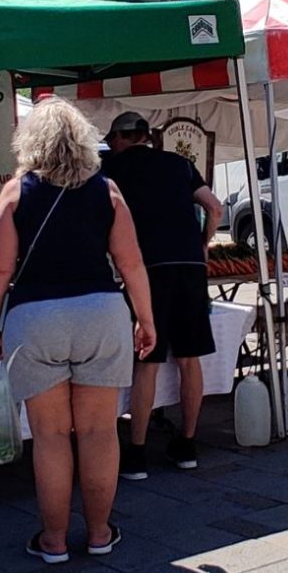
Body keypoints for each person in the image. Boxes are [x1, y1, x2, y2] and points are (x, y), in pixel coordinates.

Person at [0, 100, 156, 563]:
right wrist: (146, 319)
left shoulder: (16, 192)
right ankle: (99, 533)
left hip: (35, 316)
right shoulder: (108, 191)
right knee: (100, 431)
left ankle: (54, 539)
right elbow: (131, 262)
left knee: (52, 435)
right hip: (100, 312)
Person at [100, 111, 222, 479]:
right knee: (189, 358)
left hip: (148, 268)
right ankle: (187, 444)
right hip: (190, 266)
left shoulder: (113, 171)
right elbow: (214, 207)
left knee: (148, 361)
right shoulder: (181, 165)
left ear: (123, 137)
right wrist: (203, 242)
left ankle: (136, 453)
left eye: (113, 140)